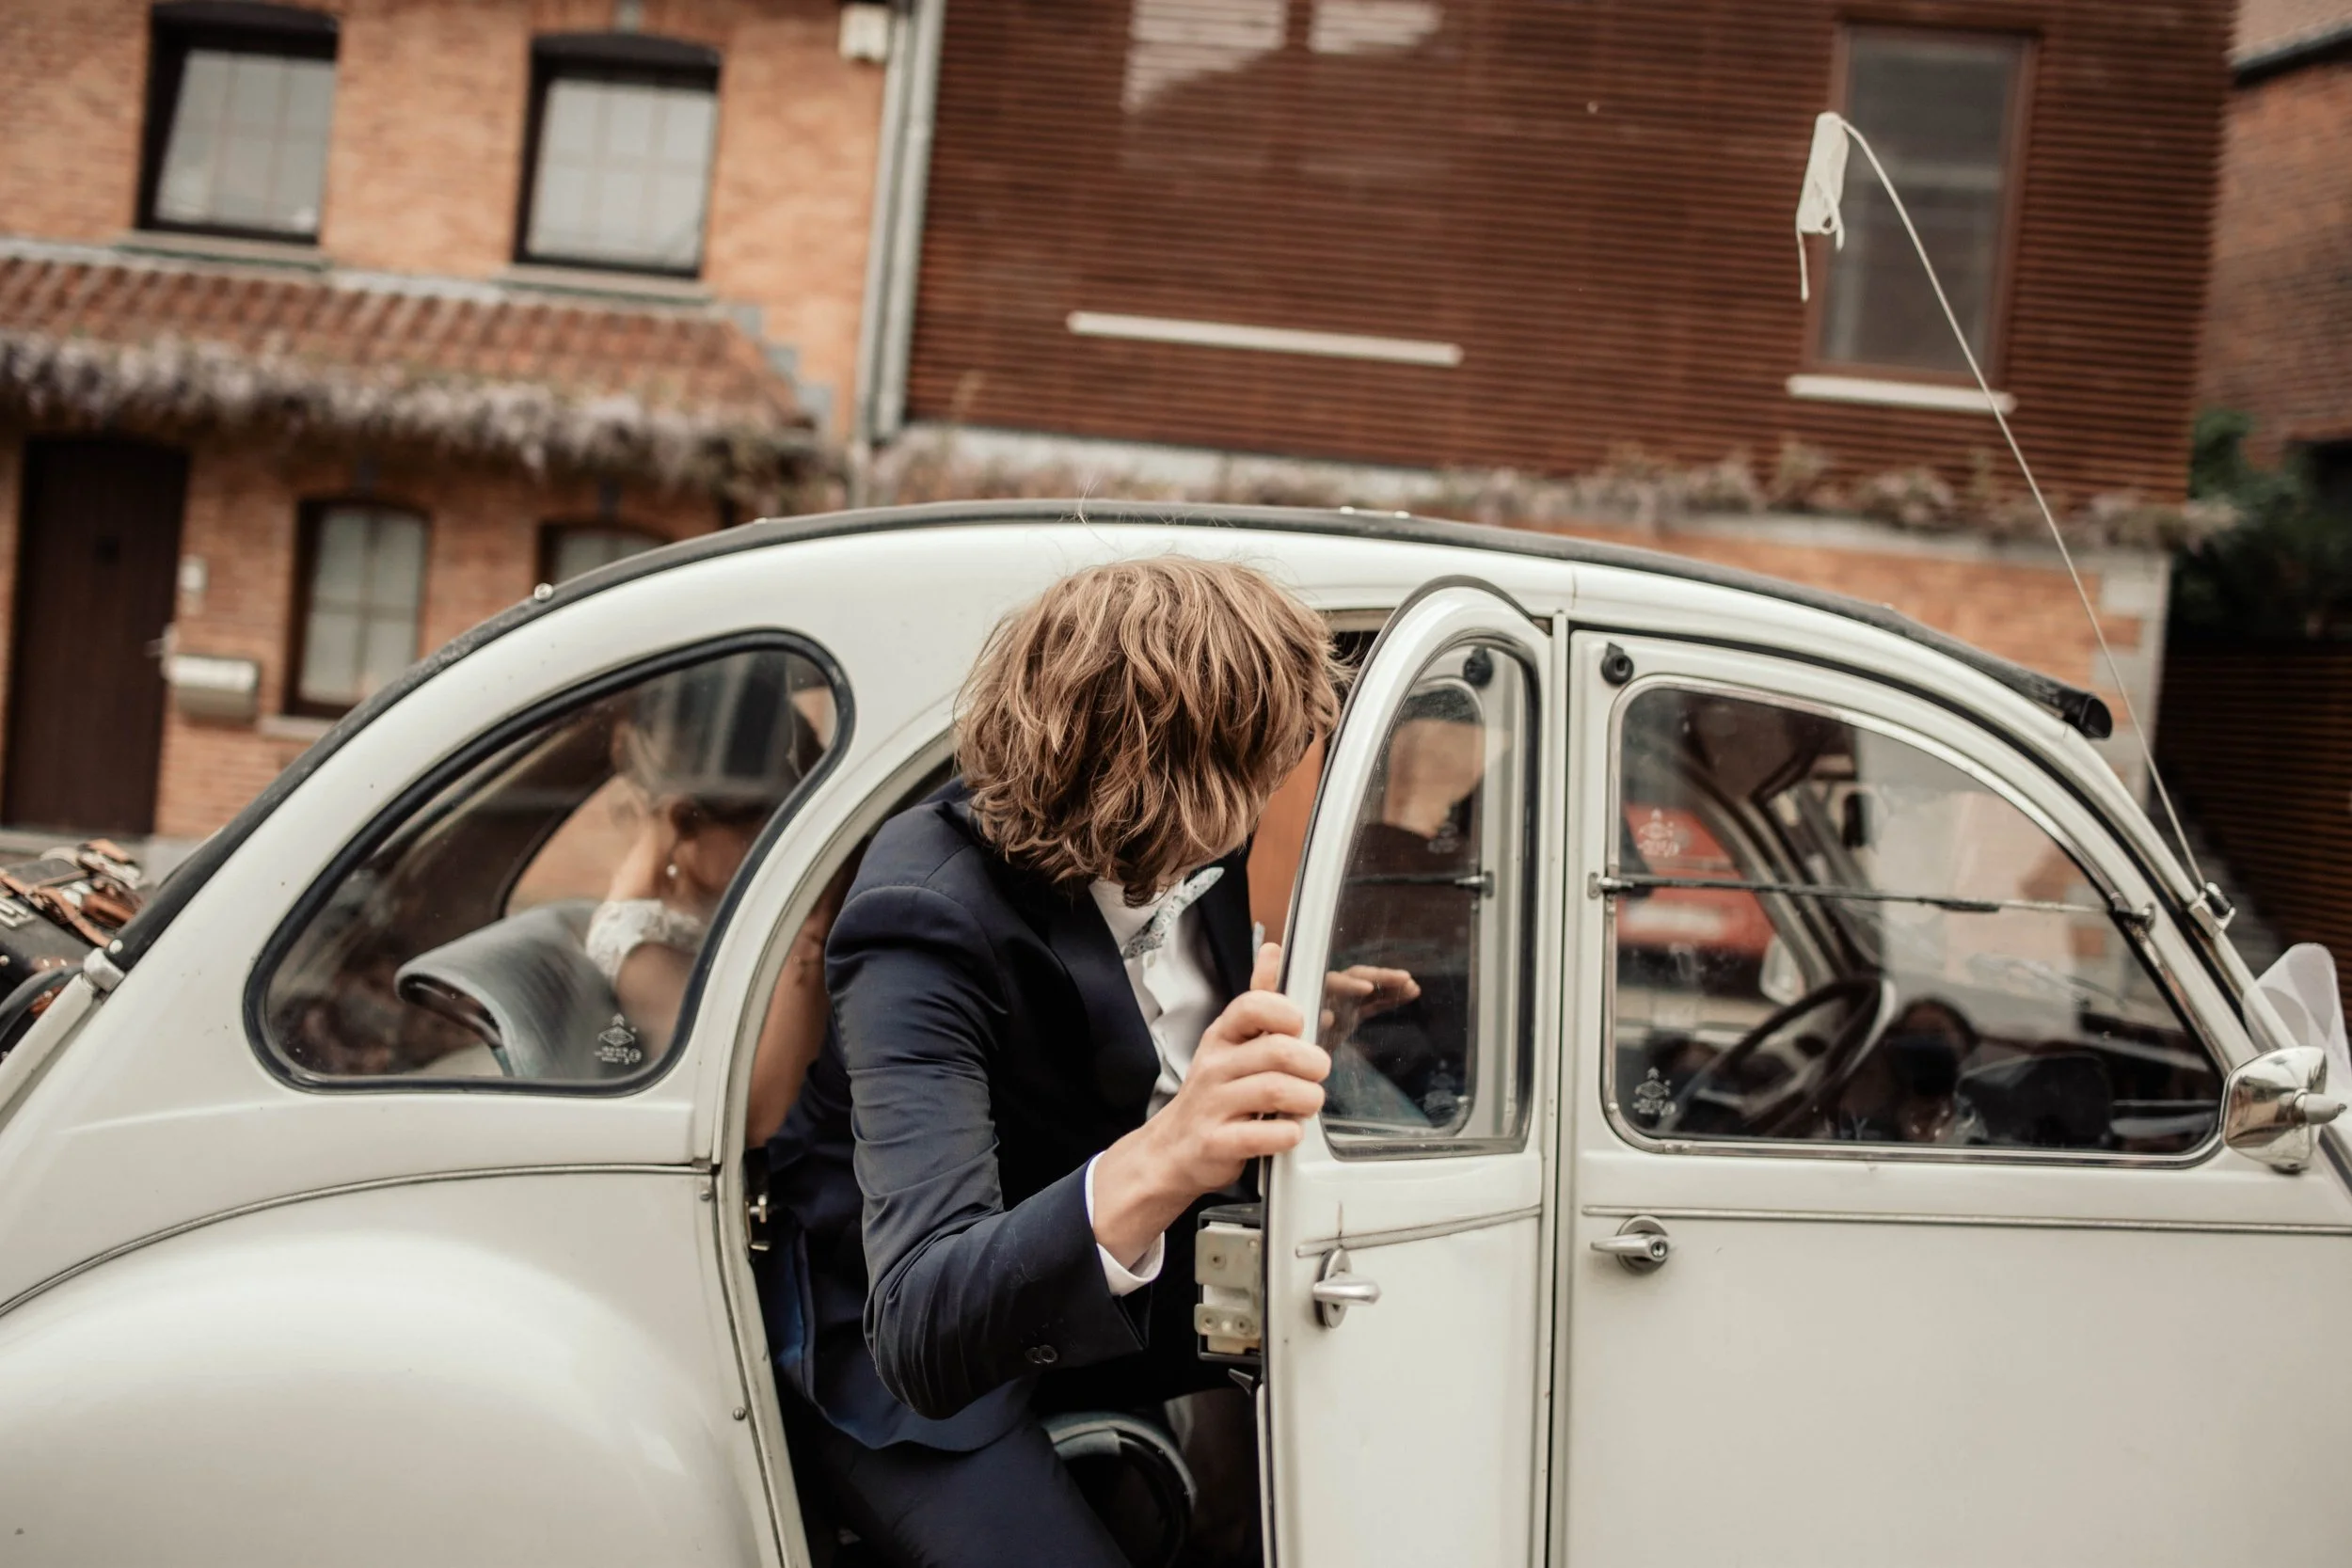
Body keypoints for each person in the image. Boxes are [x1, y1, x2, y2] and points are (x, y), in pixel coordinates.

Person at [755, 558, 1352, 1567]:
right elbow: (923, 1317)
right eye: (1264, 758)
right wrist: (1172, 1147)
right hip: (906, 1353)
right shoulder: (919, 915)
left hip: (1119, 1286)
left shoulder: (1192, 845)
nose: (1278, 782)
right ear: (1182, 775)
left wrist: (1288, 1021)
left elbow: (1147, 1027)